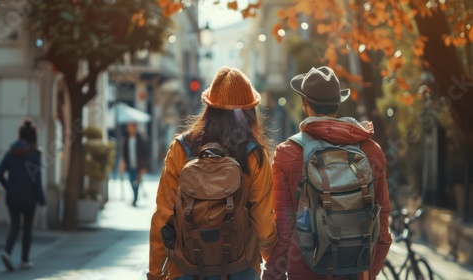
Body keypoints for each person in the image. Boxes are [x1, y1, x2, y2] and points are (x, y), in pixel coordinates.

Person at [147, 67, 278, 280]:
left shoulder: (182, 148)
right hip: (240, 267)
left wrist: (155, 272)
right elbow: (263, 220)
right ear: (249, 112)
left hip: (186, 266)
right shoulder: (254, 153)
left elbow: (163, 215)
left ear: (209, 107)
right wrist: (271, 259)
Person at [263, 66, 392, 280]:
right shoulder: (371, 151)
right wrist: (367, 274)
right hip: (355, 270)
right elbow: (383, 230)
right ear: (338, 105)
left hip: (305, 271)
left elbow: (284, 230)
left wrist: (271, 274)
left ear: (305, 104)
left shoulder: (288, 153)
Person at [0, 119, 46, 271]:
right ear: (33, 137)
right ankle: (24, 260)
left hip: (12, 198)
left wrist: (8, 187)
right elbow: (36, 181)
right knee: (27, 230)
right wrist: (41, 199)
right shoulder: (34, 155)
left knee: (15, 227)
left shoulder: (10, 153)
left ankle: (6, 252)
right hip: (29, 199)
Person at [120, 122, 150, 207]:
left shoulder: (141, 138)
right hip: (130, 164)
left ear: (135, 127)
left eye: (131, 127)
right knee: (131, 181)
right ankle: (135, 197)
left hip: (138, 165)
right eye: (128, 127)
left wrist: (144, 167)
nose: (129, 129)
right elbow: (123, 152)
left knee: (136, 182)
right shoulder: (125, 138)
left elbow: (145, 154)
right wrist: (123, 162)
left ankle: (135, 199)